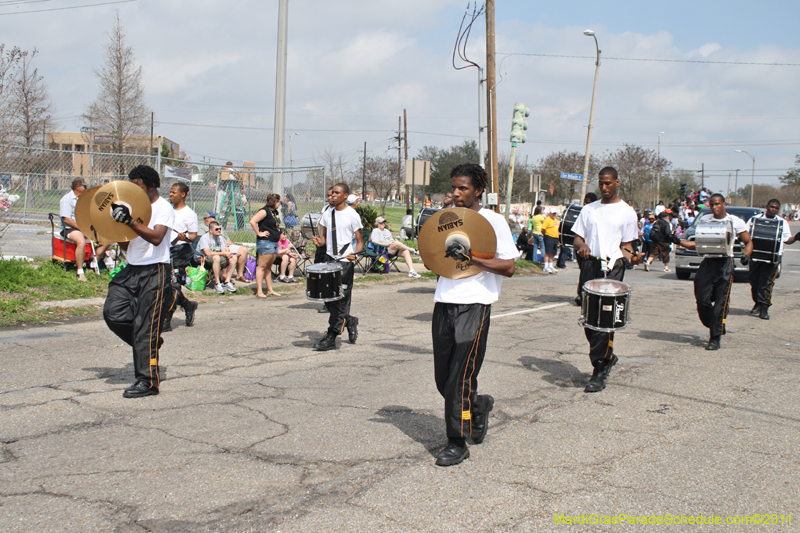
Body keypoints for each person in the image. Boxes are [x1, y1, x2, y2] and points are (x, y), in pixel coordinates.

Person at [431, 163, 518, 467]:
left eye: (463, 188)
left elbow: (508, 267)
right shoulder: (446, 218)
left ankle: (457, 442)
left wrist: (471, 257)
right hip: (444, 302)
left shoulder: (493, 221)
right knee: (444, 380)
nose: (456, 193)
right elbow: (434, 258)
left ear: (478, 190)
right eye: (453, 187)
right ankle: (479, 405)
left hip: (475, 304)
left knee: (460, 378)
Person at [102, 165, 175, 398]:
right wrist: (116, 226)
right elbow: (127, 244)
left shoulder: (163, 207)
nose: (133, 189)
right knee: (112, 312)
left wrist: (130, 221)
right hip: (131, 269)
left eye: (138, 185)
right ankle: (150, 342)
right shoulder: (132, 207)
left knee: (146, 327)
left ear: (151, 186)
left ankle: (148, 382)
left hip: (155, 270)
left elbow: (157, 237)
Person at [572, 167, 643, 393]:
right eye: (601, 183)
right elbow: (577, 238)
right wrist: (582, 245)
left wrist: (633, 257)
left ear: (617, 182)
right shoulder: (589, 209)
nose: (604, 187)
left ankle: (599, 369)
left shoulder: (627, 212)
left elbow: (627, 246)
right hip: (590, 265)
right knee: (588, 318)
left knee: (605, 319)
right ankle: (607, 357)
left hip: (613, 266)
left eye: (608, 183)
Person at [673, 193, 752, 350]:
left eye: (718, 204)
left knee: (720, 302)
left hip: (725, 263)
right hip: (708, 262)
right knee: (702, 299)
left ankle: (714, 338)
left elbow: (748, 241)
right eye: (712, 204)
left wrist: (746, 255)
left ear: (724, 204)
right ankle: (715, 324)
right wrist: (679, 241)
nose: (715, 207)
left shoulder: (735, 221)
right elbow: (697, 244)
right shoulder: (705, 220)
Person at [311, 183, 363, 351]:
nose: (332, 195)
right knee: (328, 298)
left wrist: (356, 254)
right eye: (331, 192)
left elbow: (360, 242)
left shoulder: (352, 215)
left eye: (337, 193)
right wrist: (320, 242)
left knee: (341, 300)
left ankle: (332, 335)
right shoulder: (328, 213)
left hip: (345, 262)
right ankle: (349, 320)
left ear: (345, 195)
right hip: (329, 259)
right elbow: (325, 238)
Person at [747, 199, 797, 320]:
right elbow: (746, 235)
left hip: (772, 257)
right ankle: (758, 303)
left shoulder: (782, 222)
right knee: (754, 282)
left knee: (766, 283)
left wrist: (796, 237)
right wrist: (745, 254)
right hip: (756, 256)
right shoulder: (754, 219)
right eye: (771, 207)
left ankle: (764, 308)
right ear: (767, 206)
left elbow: (787, 239)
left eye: (776, 208)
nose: (773, 209)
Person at [162, 182, 199, 331]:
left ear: (182, 194)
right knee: (164, 285)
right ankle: (188, 305)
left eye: (174, 192)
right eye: (170, 192)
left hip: (179, 251)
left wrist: (185, 238)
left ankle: (166, 320)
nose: (170, 195)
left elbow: (193, 235)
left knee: (173, 285)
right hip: (164, 250)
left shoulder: (189, 214)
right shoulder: (167, 210)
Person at [59, 178, 105, 281]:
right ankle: (80, 272)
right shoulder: (66, 199)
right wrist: (81, 228)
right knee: (81, 241)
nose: (86, 188)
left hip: (83, 227)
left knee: (106, 240)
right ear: (77, 187)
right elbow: (67, 219)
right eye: (84, 186)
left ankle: (93, 263)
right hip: (70, 228)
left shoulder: (84, 199)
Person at [249, 193, 283, 298]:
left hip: (274, 242)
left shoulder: (275, 212)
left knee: (268, 267)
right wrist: (259, 233)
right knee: (262, 266)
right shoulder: (264, 211)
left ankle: (270, 290)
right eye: (278, 201)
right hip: (265, 242)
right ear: (274, 201)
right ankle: (259, 291)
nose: (279, 204)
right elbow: (252, 221)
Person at [201, 212, 249, 280]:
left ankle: (240, 275)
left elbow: (227, 240)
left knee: (243, 249)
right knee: (225, 254)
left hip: (225, 246)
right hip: (215, 248)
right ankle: (224, 276)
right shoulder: (202, 228)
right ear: (207, 219)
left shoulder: (219, 226)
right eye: (213, 217)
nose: (215, 218)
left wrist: (234, 246)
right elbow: (206, 244)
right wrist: (224, 250)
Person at [196, 221, 237, 293]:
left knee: (234, 257)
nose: (219, 230)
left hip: (215, 256)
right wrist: (224, 253)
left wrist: (228, 254)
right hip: (202, 257)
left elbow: (223, 251)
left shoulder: (220, 238)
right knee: (216, 257)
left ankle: (227, 282)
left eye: (219, 229)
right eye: (216, 229)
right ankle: (217, 283)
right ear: (210, 231)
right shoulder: (204, 238)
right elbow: (208, 253)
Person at [541, 207, 560, 273]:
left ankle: (551, 265)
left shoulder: (556, 220)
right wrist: (546, 234)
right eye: (553, 213)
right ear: (550, 213)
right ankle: (546, 266)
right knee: (548, 252)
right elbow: (543, 229)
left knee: (552, 252)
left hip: (555, 237)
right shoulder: (547, 220)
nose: (554, 214)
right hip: (549, 237)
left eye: (555, 213)